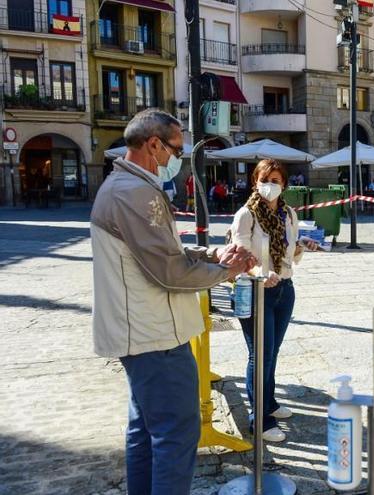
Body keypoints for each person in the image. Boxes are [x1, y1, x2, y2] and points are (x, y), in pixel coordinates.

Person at [90, 109, 256, 495]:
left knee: (146, 430)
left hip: (143, 333)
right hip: (155, 336)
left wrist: (210, 256)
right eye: (176, 148)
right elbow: (168, 271)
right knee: (176, 434)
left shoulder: (127, 186)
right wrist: (227, 272)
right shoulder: (133, 193)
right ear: (153, 145)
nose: (178, 158)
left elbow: (161, 252)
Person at [230, 159, 318, 442]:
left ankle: (269, 403)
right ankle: (260, 419)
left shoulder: (289, 214)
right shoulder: (246, 215)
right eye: (265, 180)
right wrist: (259, 273)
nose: (270, 186)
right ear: (255, 181)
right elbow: (239, 256)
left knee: (273, 351)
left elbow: (290, 253)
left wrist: (304, 246)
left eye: (276, 181)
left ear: (284, 185)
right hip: (255, 291)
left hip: (284, 289)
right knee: (260, 354)